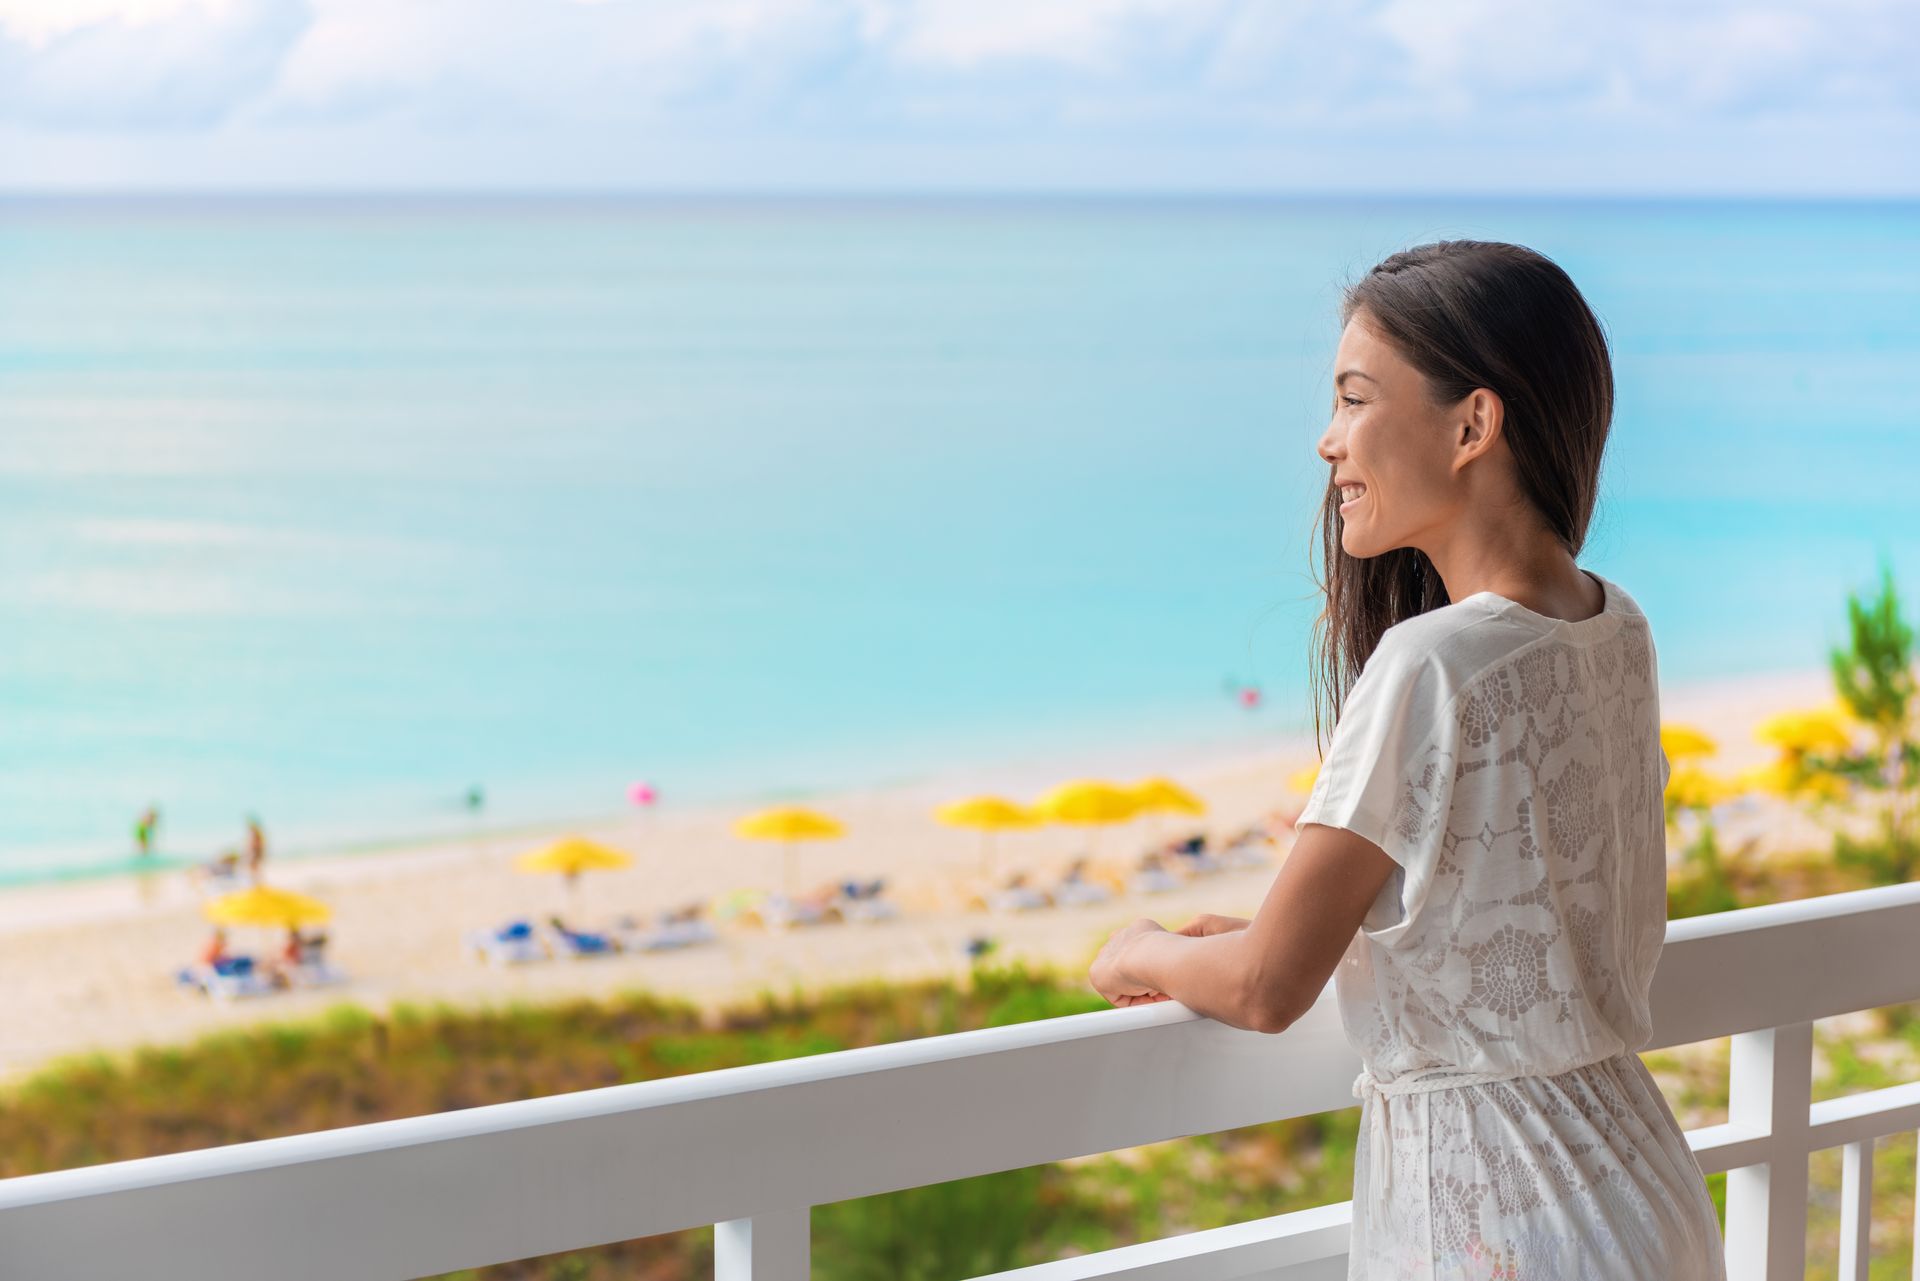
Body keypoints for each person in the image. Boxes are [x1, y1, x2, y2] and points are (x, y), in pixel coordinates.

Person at [1087, 241, 1723, 1278]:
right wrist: (1310, 924)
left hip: (1494, 1223)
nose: (1326, 443)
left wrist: (1141, 948)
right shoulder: (1617, 624)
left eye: (1353, 400)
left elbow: (1261, 990)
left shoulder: (1432, 664)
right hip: (1637, 1188)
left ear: (1473, 424)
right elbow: (1513, 902)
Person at [245, 814, 267, 884]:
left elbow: (258, 843)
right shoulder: (256, 833)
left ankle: (258, 882)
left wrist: (251, 848)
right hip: (256, 852)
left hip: (256, 852)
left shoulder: (256, 833)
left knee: (254, 867)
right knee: (254, 868)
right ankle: (257, 882)